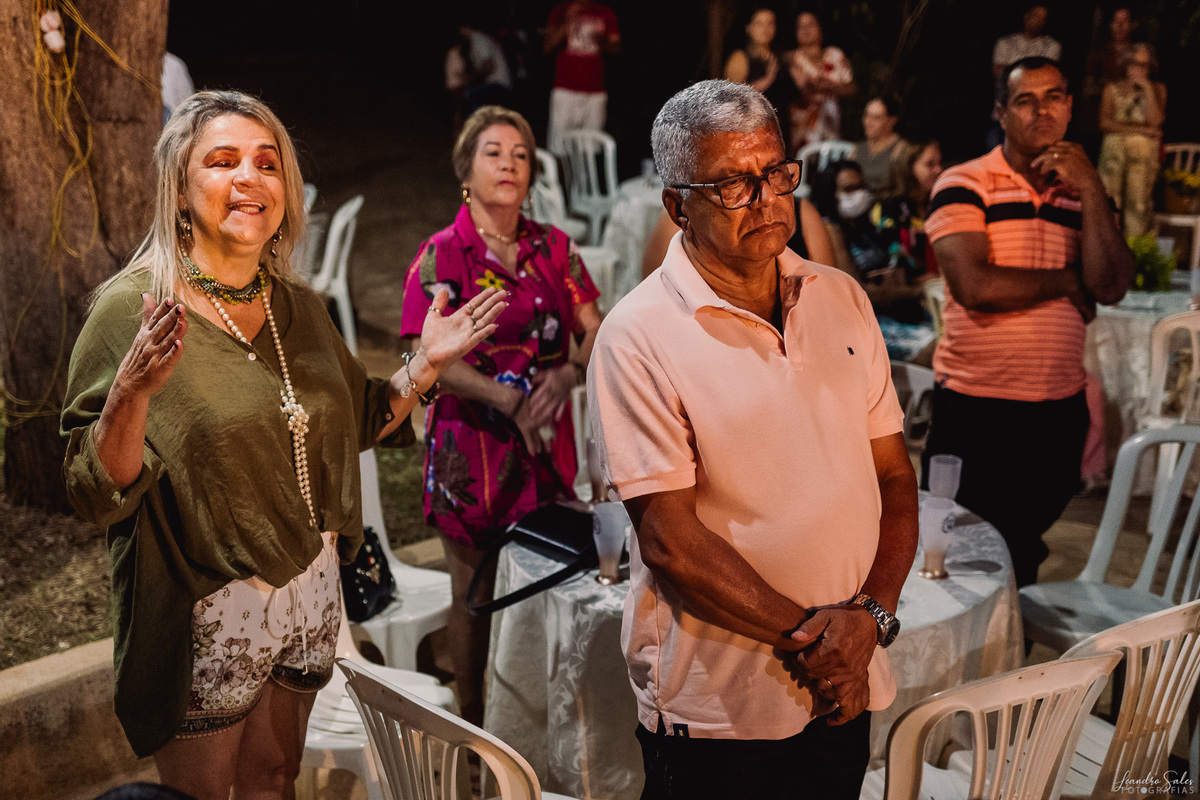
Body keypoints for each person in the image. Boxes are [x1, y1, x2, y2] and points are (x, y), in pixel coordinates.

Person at [60, 91, 506, 800]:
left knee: (275, 779)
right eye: (223, 160)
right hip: (208, 605)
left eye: (267, 163)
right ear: (180, 186)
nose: (250, 178)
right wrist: (130, 394)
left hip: (309, 594)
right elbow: (93, 488)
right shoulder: (135, 308)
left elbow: (357, 422)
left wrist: (424, 365)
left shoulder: (296, 304)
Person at [588, 79, 917, 800]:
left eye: (775, 173)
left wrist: (870, 621)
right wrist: (820, 639)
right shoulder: (639, 337)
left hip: (844, 680)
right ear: (678, 205)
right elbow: (671, 541)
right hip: (721, 709)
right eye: (734, 183)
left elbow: (894, 477)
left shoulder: (840, 298)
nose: (767, 198)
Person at [399, 105, 602, 727]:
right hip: (472, 450)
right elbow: (419, 352)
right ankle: (474, 723)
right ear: (466, 170)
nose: (509, 163)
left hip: (543, 447)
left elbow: (598, 333)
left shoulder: (555, 250)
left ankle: (539, 723)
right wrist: (503, 397)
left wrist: (568, 371)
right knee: (475, 593)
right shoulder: (442, 256)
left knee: (549, 582)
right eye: (493, 152)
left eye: (520, 153)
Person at [923, 58, 1133, 588]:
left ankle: (1008, 661)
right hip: (976, 408)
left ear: (1068, 106)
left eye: (1054, 96)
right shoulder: (965, 182)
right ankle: (970, 662)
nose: (1042, 110)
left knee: (1021, 551)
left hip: (1056, 413)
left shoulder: (1086, 196)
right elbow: (978, 287)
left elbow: (1109, 286)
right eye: (1025, 99)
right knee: (958, 557)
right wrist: (1066, 282)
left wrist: (1088, 188)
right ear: (1001, 112)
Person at [813, 159, 933, 361]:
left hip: (895, 309)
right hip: (865, 320)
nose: (859, 194)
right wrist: (913, 292)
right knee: (934, 347)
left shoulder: (865, 226)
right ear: (830, 194)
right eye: (850, 189)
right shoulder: (829, 229)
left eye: (861, 186)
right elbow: (854, 292)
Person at [1097, 43, 1166, 238]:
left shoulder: (1157, 89)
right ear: (1126, 64)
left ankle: (1134, 251)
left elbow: (1156, 122)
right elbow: (1105, 124)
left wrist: (1147, 89)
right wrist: (1141, 130)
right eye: (1135, 63)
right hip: (1114, 157)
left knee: (1137, 204)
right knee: (1111, 200)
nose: (1139, 69)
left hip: (1142, 159)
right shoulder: (1112, 89)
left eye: (1144, 65)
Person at [543, 0, 620, 154]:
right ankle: (558, 177)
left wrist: (601, 39)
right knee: (559, 147)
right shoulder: (560, 10)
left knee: (591, 147)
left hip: (595, 90)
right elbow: (548, 47)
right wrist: (567, 21)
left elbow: (617, 48)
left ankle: (586, 178)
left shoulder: (605, 12)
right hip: (565, 89)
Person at [784, 11, 855, 154]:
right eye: (800, 26)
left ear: (820, 29)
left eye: (811, 24)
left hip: (831, 131)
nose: (805, 30)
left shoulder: (835, 55)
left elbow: (851, 88)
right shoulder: (791, 59)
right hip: (800, 133)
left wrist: (832, 86)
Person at [850, 95, 908, 199]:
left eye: (876, 118)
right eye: (867, 116)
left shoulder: (900, 149)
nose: (869, 122)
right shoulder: (857, 149)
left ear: (891, 121)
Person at [992, 4, 1061, 79]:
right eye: (1035, 16)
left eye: (1043, 18)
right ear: (1026, 16)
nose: (1038, 21)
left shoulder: (1052, 45)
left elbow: (1047, 73)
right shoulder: (1005, 42)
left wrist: (1012, 70)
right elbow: (998, 72)